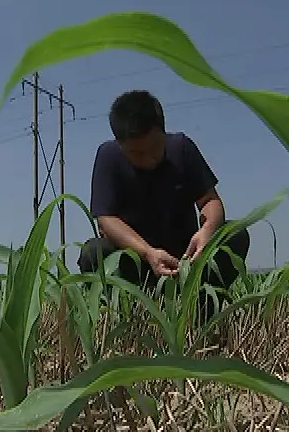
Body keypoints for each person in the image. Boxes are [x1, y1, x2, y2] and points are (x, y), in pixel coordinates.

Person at [77, 90, 250, 320]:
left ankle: (202, 312)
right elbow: (105, 219)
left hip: (187, 259)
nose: (149, 158)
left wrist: (207, 230)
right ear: (120, 144)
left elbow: (210, 201)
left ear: (163, 131)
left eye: (155, 148)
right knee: (93, 252)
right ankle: (129, 319)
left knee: (235, 234)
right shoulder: (108, 157)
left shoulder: (182, 148)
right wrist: (148, 253)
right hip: (137, 263)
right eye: (137, 153)